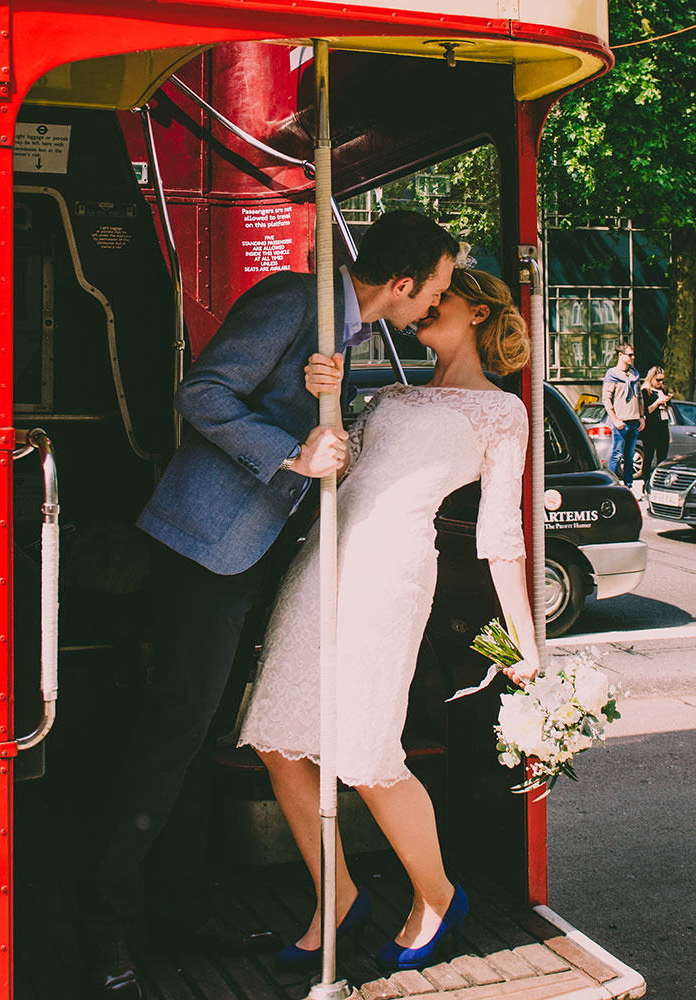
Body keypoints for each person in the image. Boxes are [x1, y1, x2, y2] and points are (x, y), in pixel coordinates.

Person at [91, 211, 459, 997]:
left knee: (193, 736)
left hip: (243, 552)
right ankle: (108, 922)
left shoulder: (347, 329)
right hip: (202, 547)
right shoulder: (297, 301)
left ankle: (181, 908)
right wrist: (290, 453)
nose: (437, 299)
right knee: (172, 734)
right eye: (437, 284)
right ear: (401, 284)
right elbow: (204, 392)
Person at [238, 268, 540, 974]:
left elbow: (502, 535)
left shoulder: (504, 413)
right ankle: (336, 895)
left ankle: (437, 897)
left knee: (366, 754)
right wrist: (326, 400)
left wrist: (527, 642)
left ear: (477, 311)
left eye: (441, 298)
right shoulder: (391, 392)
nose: (423, 309)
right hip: (325, 561)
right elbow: (340, 468)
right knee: (276, 742)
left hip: (393, 573)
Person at [602, 343, 645, 487]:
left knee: (629, 457)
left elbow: (639, 397)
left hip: (634, 421)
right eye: (630, 355)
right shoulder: (612, 374)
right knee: (617, 454)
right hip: (621, 422)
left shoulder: (634, 374)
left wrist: (642, 416)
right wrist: (615, 419)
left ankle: (628, 485)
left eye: (633, 354)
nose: (633, 357)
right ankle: (612, 485)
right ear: (621, 355)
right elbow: (606, 398)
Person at [640, 366, 672, 484]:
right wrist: (658, 402)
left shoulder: (663, 390)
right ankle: (646, 481)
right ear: (651, 378)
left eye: (662, 380)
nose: (660, 382)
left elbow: (669, 408)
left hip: (663, 425)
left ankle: (659, 481)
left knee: (662, 457)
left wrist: (667, 400)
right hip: (651, 428)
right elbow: (645, 411)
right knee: (648, 456)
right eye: (658, 380)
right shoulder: (646, 391)